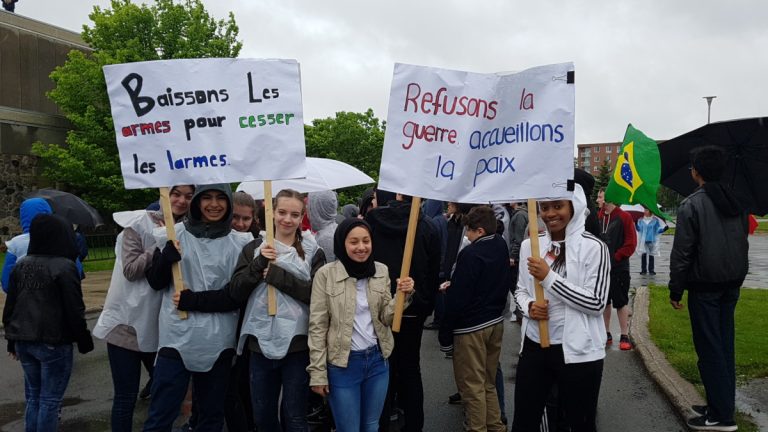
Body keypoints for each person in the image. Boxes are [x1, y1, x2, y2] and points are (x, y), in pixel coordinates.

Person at [176, 188, 326, 431]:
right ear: (272, 212)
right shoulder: (253, 248)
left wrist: (277, 275)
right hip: (259, 344)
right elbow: (235, 291)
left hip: (298, 345)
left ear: (301, 217)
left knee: (294, 416)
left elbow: (317, 297)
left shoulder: (313, 252)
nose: (287, 219)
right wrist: (258, 264)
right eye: (282, 212)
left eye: (294, 214)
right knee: (263, 416)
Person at [142, 184, 252, 431]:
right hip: (177, 337)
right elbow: (156, 282)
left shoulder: (240, 244)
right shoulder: (173, 234)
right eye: (207, 197)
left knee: (211, 415)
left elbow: (236, 294)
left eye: (220, 198)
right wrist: (165, 259)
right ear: (197, 202)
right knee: (161, 414)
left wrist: (194, 301)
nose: (214, 204)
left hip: (219, 339)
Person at [92, 185, 194, 432]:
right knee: (126, 397)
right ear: (164, 194)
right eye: (176, 194)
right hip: (127, 325)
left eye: (189, 196)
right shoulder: (138, 224)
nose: (181, 200)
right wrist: (160, 244)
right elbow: (130, 270)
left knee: (166, 394)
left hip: (161, 326)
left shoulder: (190, 228)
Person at [512, 184, 610, 432]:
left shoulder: (594, 247)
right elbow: (521, 290)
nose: (550, 214)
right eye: (544, 207)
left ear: (574, 207)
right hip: (535, 346)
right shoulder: (530, 246)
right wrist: (529, 306)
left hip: (579, 352)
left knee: (579, 422)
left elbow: (596, 302)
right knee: (525, 420)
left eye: (558, 206)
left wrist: (548, 278)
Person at [308, 218, 414, 432]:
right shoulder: (325, 275)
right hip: (342, 365)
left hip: (377, 361)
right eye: (354, 242)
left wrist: (403, 296)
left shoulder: (381, 270)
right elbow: (317, 326)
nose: (361, 247)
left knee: (371, 426)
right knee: (349, 428)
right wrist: (317, 373)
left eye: (366, 241)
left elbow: (386, 317)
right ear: (342, 244)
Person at [669, 146, 748, 432]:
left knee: (710, 348)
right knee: (724, 345)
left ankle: (721, 417)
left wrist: (675, 289)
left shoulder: (692, 204)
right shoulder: (738, 200)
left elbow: (682, 253)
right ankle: (720, 404)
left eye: (692, 167)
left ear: (696, 172)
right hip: (731, 284)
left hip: (705, 288)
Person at [3, 213, 95, 431]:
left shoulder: (22, 265)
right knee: (50, 400)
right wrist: (83, 339)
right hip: (53, 339)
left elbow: (12, 306)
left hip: (23, 338)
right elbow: (74, 308)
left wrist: (11, 340)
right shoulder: (65, 266)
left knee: (34, 397)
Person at [365, 191, 440, 432]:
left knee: (383, 369)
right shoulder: (427, 226)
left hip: (379, 309)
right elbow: (432, 271)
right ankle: (414, 426)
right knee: (410, 369)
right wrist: (424, 304)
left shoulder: (372, 222)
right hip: (414, 310)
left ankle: (382, 424)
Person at [439, 206, 510, 432]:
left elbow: (458, 300)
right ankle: (496, 426)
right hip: (494, 322)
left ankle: (477, 428)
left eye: (468, 231)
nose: (466, 236)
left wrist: (445, 334)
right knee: (488, 382)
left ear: (479, 230)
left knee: (472, 387)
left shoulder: (470, 254)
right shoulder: (500, 244)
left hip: (471, 328)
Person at [597, 191, 637, 350]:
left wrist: (616, 257)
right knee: (604, 301)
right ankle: (606, 333)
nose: (597, 200)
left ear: (608, 199)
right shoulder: (598, 217)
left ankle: (624, 334)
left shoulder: (624, 217)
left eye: (600, 197)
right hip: (601, 268)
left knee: (621, 302)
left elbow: (631, 243)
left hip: (619, 268)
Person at [2, 198, 53, 293]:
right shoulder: (61, 238)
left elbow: (7, 280)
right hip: (55, 297)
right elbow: (75, 271)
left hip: (24, 298)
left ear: (23, 217)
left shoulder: (16, 243)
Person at [635, 207, 667, 275]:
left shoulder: (655, 220)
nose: (645, 211)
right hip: (643, 241)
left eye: (646, 210)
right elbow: (639, 229)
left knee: (651, 255)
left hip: (652, 240)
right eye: (644, 210)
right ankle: (643, 270)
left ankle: (651, 270)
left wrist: (664, 229)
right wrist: (636, 224)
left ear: (650, 211)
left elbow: (658, 229)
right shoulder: (641, 220)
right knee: (643, 255)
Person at [309, 190, 339, 261]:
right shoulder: (332, 229)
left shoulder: (325, 238)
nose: (307, 208)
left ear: (317, 208)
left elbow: (326, 270)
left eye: (310, 205)